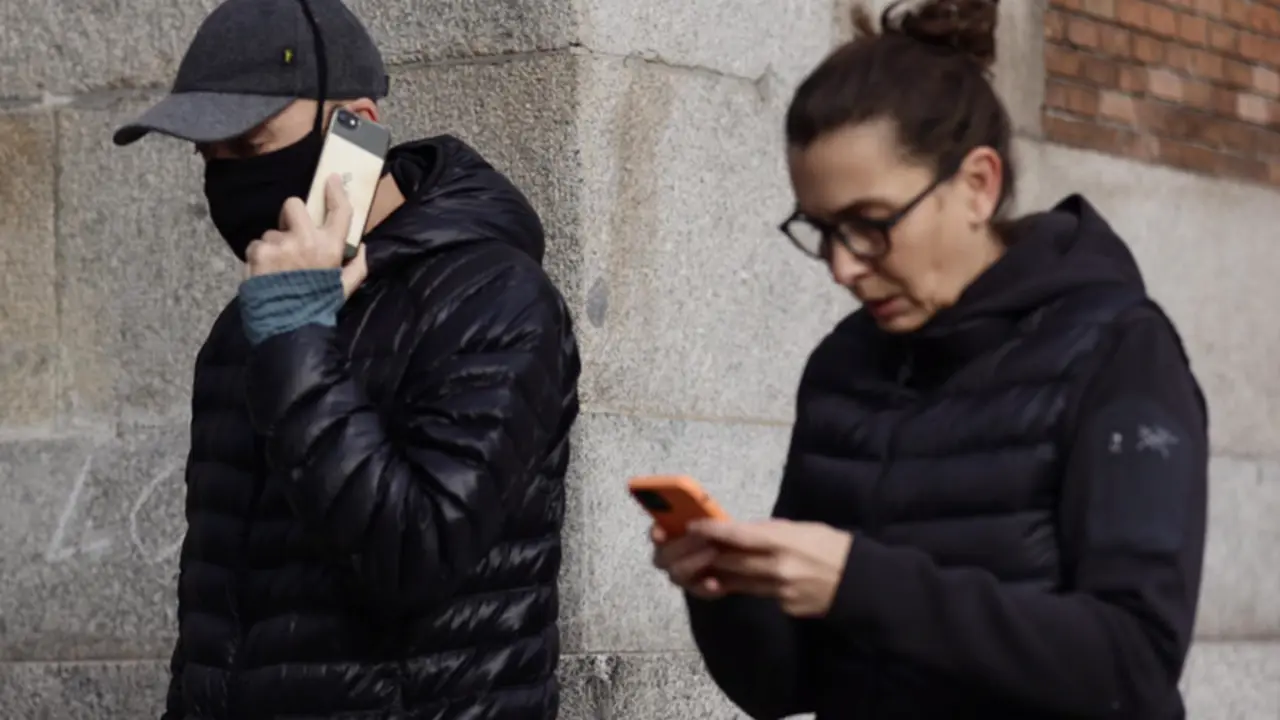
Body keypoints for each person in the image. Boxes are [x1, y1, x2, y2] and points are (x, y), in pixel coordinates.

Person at [650, 1, 1207, 718]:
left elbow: (1133, 663)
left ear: (979, 184)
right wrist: (724, 594)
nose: (842, 267)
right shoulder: (843, 368)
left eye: (870, 225)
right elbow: (781, 688)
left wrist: (861, 584)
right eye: (820, 229)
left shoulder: (1121, 353)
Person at [112, 0, 581, 717]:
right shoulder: (247, 330)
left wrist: (298, 336)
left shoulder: (494, 299)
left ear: (353, 125)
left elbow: (417, 556)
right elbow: (221, 615)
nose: (230, 180)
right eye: (210, 159)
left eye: (251, 145)